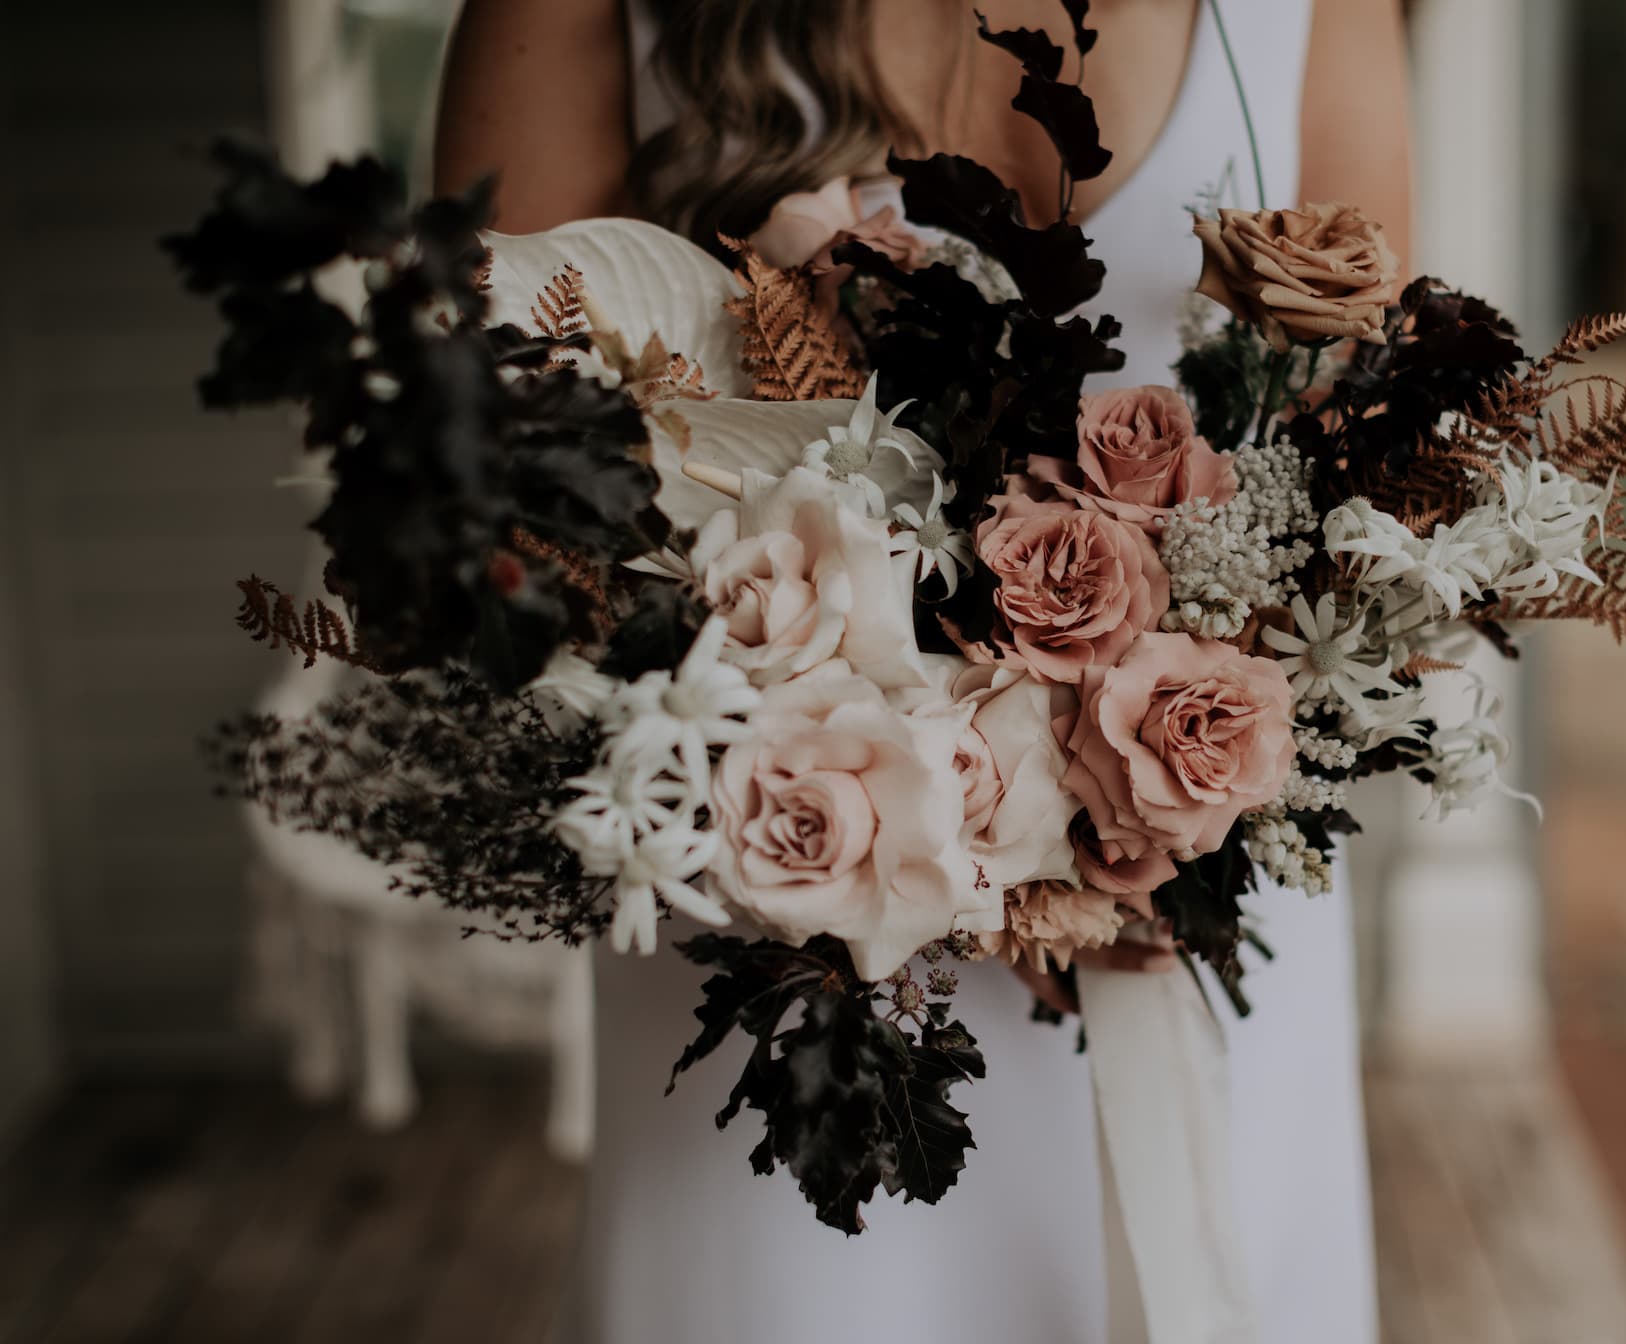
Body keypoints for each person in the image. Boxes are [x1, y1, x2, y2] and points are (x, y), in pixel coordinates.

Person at [435, 3, 1411, 1340]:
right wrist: (932, 769)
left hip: (1190, 898)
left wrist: (1137, 777)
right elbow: (492, 489)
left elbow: (1393, 460)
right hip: (787, 921)